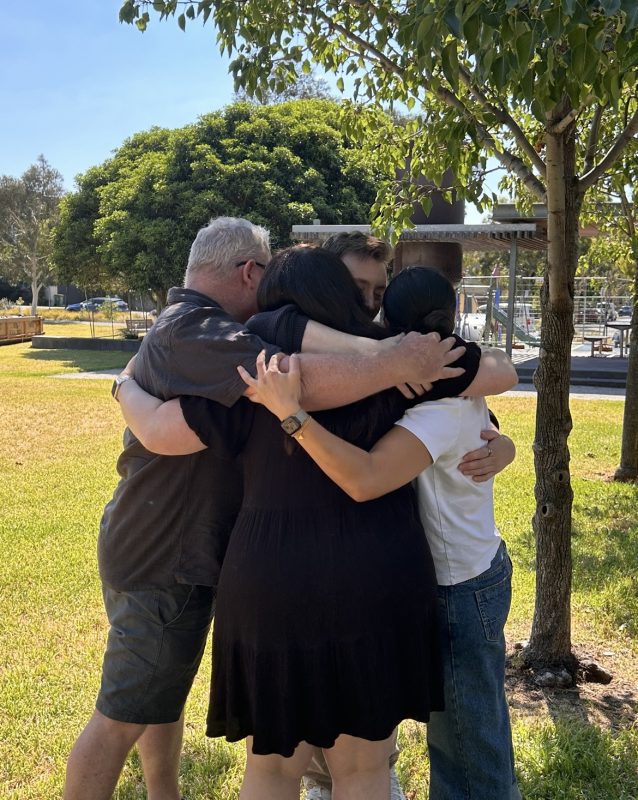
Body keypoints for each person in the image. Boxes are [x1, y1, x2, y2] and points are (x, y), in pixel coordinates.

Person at [63, 219, 471, 800]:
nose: (372, 301)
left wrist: (126, 387)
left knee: (260, 759)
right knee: (363, 768)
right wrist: (396, 362)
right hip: (352, 572)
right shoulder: (242, 349)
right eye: (364, 290)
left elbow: (161, 428)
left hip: (261, 573)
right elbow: (486, 374)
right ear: (249, 272)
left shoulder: (253, 366)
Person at [239, 265, 521, 800]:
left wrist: (292, 413)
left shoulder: (431, 395)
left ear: (390, 319)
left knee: (467, 740)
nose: (365, 307)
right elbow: (492, 379)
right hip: (458, 570)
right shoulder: (420, 378)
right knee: (449, 736)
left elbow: (366, 478)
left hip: (459, 583)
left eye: (375, 297)